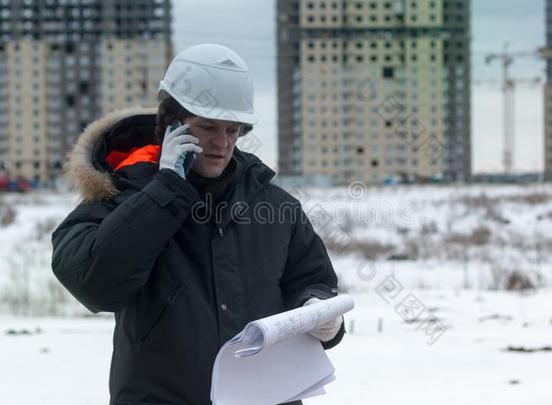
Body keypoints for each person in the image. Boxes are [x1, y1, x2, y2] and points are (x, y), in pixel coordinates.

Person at [51, 43, 345, 405]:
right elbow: (92, 282)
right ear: (171, 124)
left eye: (233, 130)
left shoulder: (274, 206)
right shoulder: (124, 194)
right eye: (207, 128)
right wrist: (167, 191)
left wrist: (320, 311)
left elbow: (313, 281)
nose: (222, 144)